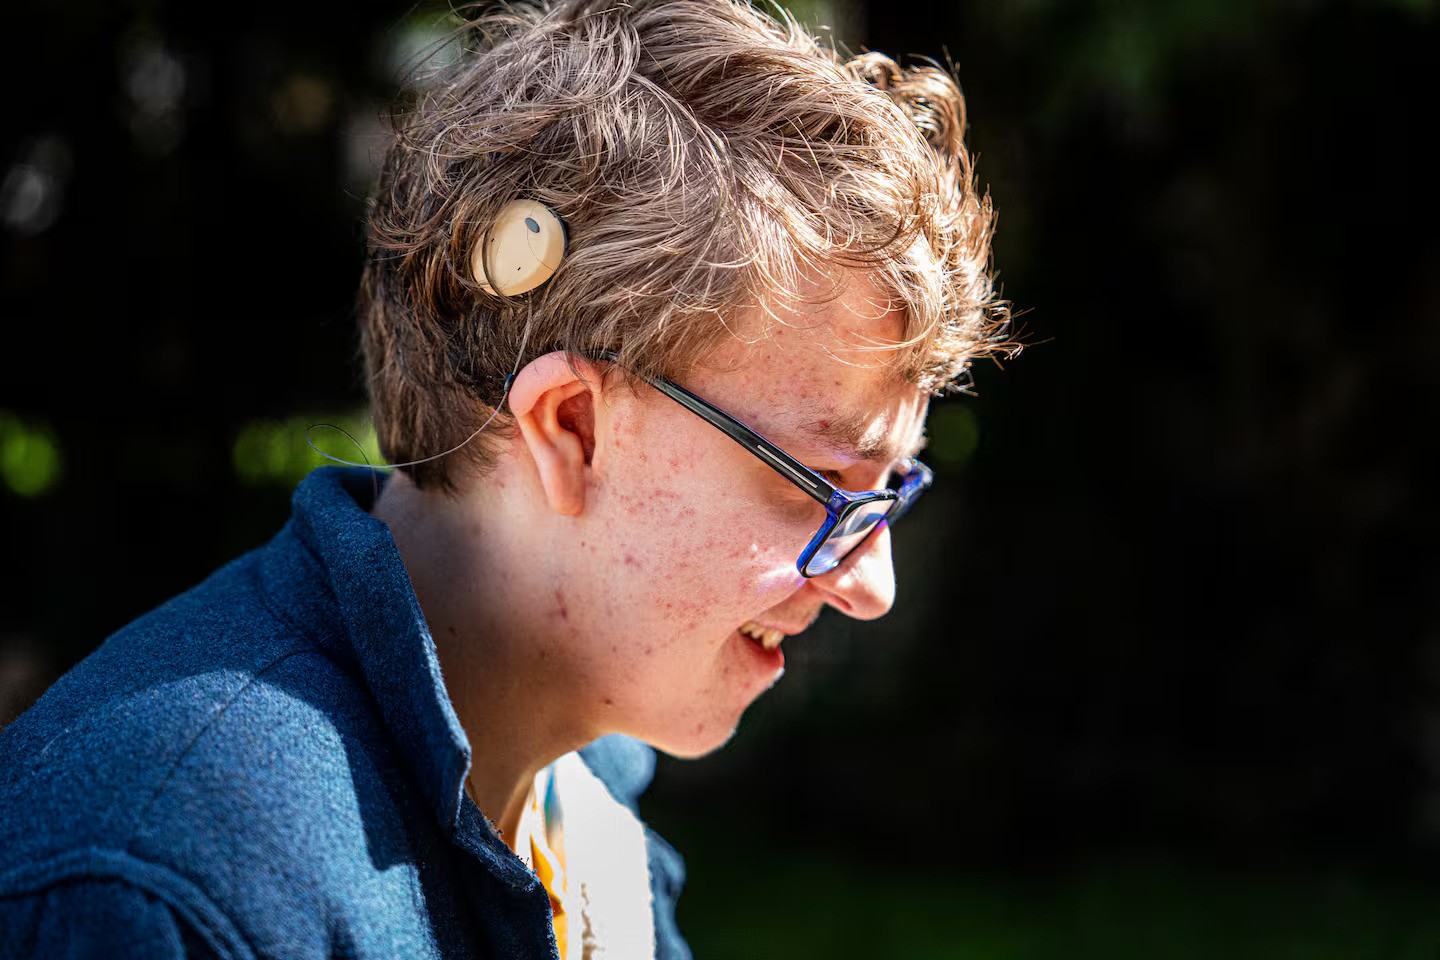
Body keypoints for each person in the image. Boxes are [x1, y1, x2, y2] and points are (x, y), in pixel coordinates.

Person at [0, 0, 1014, 956]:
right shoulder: (166, 888)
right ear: (569, 427)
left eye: (892, 493)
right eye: (825, 485)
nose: (871, 585)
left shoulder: (584, 829)